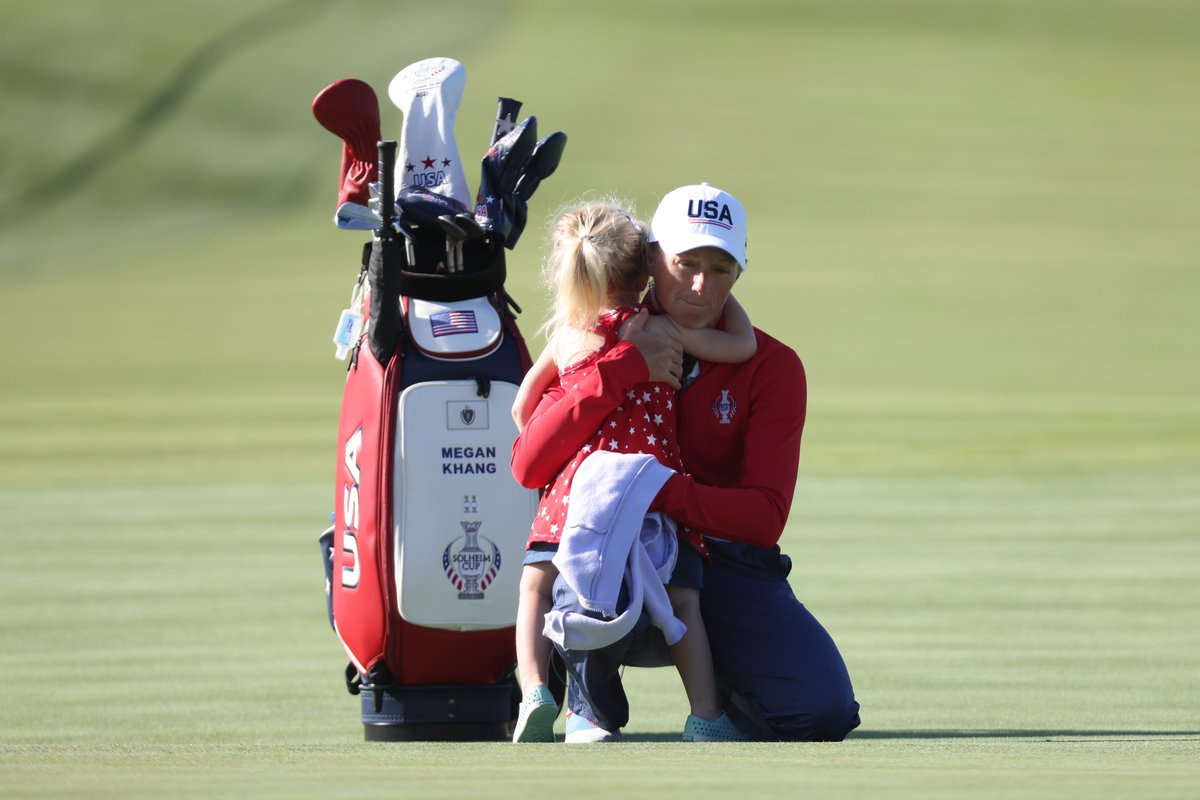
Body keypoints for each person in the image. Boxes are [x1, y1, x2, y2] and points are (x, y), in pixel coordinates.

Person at [511, 183, 861, 743]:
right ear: (651, 259)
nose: (701, 286)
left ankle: (722, 695)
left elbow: (764, 518)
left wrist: (646, 490)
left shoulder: (772, 366)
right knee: (526, 654)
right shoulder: (602, 337)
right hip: (597, 543)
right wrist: (621, 370)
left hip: (717, 563)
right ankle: (578, 691)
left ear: (740, 273)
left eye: (721, 269)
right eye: (686, 263)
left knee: (818, 713)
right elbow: (528, 463)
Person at [509, 199, 759, 743]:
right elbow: (742, 345)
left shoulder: (572, 334)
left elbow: (523, 410)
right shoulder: (660, 329)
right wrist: (724, 284)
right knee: (684, 601)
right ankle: (706, 715)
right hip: (649, 489)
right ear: (648, 266)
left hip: (575, 493)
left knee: (537, 586)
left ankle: (534, 690)